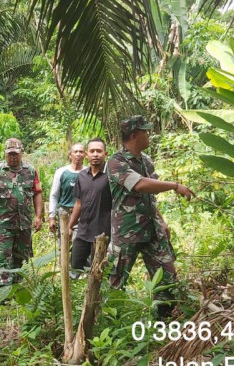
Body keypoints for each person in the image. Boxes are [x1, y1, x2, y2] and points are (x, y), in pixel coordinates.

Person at [106, 115, 194, 314]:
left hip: (152, 229)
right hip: (127, 232)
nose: (149, 135)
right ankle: (107, 322)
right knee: (114, 281)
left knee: (167, 278)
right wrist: (175, 186)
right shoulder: (115, 162)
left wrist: (161, 221)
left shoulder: (146, 161)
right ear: (134, 135)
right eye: (146, 132)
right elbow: (140, 185)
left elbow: (151, 195)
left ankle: (164, 323)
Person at [0, 138, 43, 287]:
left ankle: (16, 287)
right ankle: (2, 290)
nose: (13, 157)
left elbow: (37, 193)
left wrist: (39, 216)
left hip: (24, 224)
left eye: (16, 154)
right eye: (10, 154)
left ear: (22, 153)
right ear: (5, 154)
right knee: (2, 256)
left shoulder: (31, 171)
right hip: (4, 224)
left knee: (21, 256)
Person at [68, 138, 111, 275]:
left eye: (99, 151)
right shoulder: (82, 176)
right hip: (83, 231)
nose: (95, 154)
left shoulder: (111, 177)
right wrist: (70, 226)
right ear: (87, 154)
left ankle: (98, 294)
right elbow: (78, 203)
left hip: (102, 233)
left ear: (106, 153)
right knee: (75, 264)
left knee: (98, 270)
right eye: (92, 151)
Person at [48, 143, 85, 233]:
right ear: (70, 155)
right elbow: (54, 195)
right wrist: (51, 217)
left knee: (78, 244)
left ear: (85, 155)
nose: (78, 154)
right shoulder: (61, 172)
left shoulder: (87, 172)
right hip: (64, 214)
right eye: (75, 151)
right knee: (63, 244)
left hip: (82, 215)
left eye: (81, 152)